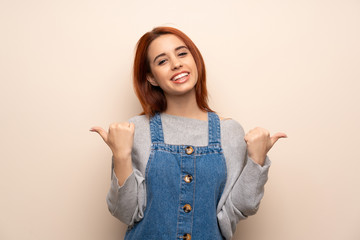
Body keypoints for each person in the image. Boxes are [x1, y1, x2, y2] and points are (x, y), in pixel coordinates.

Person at [90, 26, 286, 240]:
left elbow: (235, 212)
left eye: (182, 53)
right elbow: (126, 213)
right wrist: (121, 156)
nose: (176, 64)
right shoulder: (136, 130)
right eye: (162, 61)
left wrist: (256, 162)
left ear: (195, 61)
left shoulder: (229, 132)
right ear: (151, 78)